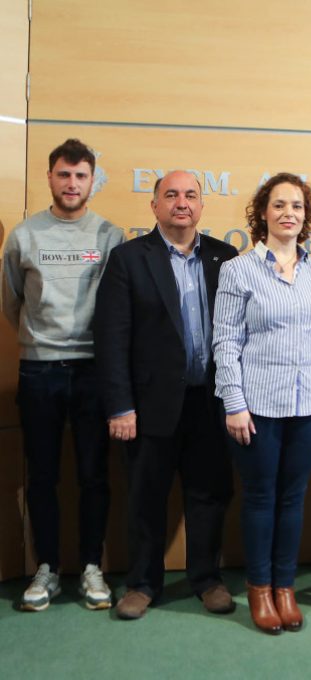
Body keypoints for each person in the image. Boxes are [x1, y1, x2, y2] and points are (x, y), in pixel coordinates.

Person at [94, 170, 237, 620]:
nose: (181, 202)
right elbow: (112, 338)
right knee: (146, 497)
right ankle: (142, 583)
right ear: (153, 206)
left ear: (201, 206)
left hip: (209, 404)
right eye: (171, 194)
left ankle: (207, 579)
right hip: (148, 406)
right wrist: (120, 405)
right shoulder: (129, 259)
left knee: (209, 496)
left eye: (190, 195)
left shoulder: (225, 258)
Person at [213, 172, 311, 634]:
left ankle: (285, 587)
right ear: (263, 213)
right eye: (280, 205)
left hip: (309, 404)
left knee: (293, 498)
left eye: (298, 207)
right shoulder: (238, 270)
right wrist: (234, 403)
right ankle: (260, 589)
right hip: (256, 407)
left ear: (306, 217)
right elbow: (225, 342)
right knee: (261, 498)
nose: (289, 214)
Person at [1, 138, 124, 611]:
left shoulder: (110, 237)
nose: (72, 183)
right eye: (63, 174)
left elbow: (117, 311)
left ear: (93, 181)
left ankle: (92, 567)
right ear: (50, 177)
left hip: (95, 372)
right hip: (39, 371)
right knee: (43, 477)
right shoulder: (24, 236)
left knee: (94, 476)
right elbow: (11, 302)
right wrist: (41, 342)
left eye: (81, 175)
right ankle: (46, 569)